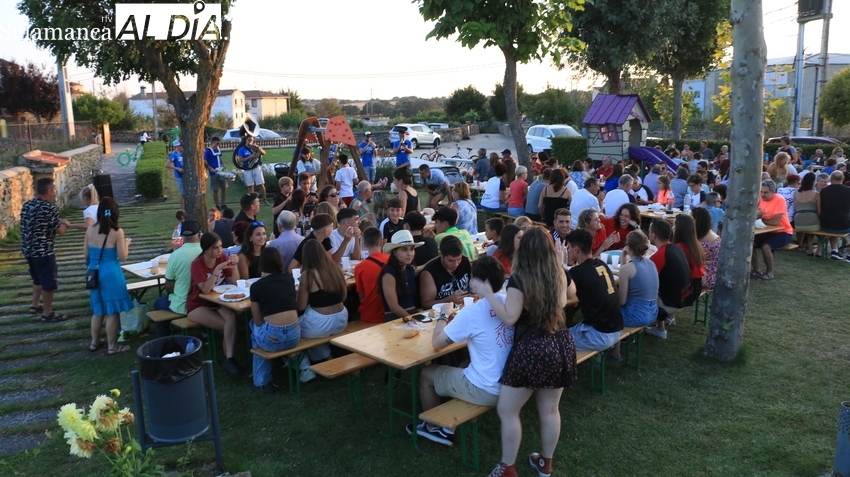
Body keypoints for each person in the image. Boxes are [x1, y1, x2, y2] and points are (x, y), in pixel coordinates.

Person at [472, 227, 576, 477]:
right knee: (550, 410)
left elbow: (509, 317)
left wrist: (487, 293)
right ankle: (545, 463)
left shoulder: (519, 279)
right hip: (559, 343)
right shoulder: (558, 274)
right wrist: (562, 264)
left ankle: (507, 467)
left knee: (508, 411)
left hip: (532, 349)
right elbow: (566, 300)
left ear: (524, 250)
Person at [409, 255, 514, 447]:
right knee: (463, 363)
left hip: (489, 389)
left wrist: (444, 314)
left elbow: (437, 343)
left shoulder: (472, 312)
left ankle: (435, 427)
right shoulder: (508, 303)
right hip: (512, 384)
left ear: (481, 283)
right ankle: (445, 420)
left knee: (426, 373)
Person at [186, 231, 242, 375]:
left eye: (221, 246)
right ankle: (229, 359)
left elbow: (235, 282)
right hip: (198, 304)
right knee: (227, 325)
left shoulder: (222, 256)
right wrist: (216, 270)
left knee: (231, 317)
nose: (220, 250)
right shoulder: (197, 264)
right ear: (206, 249)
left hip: (217, 301)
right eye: (216, 248)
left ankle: (229, 358)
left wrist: (234, 265)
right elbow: (205, 290)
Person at [84, 197, 134, 354]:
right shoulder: (117, 232)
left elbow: (85, 253)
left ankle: (94, 342)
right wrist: (126, 243)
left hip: (94, 271)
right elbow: (123, 256)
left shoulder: (90, 229)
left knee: (98, 309)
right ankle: (113, 346)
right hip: (111, 272)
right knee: (112, 311)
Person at [295, 239, 349, 381]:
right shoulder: (336, 269)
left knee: (292, 329)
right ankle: (327, 357)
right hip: (342, 319)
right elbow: (344, 296)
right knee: (312, 330)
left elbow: (300, 306)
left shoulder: (308, 275)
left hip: (320, 323)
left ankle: (305, 367)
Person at [248, 248, 299, 394]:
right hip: (294, 336)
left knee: (252, 326)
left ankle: (262, 382)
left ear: (261, 264)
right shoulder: (289, 280)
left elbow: (258, 321)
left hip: (273, 340)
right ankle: (289, 363)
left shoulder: (256, 286)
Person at [566, 228, 624, 353]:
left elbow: (563, 295)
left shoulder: (576, 272)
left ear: (576, 249)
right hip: (617, 328)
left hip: (599, 336)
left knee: (554, 340)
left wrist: (560, 264)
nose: (568, 250)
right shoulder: (602, 264)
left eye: (569, 247)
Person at [21, 178, 71, 322]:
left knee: (37, 279)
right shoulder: (49, 208)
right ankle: (47, 313)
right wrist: (65, 223)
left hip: (28, 250)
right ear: (48, 191)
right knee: (48, 282)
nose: (54, 192)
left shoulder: (27, 205)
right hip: (43, 252)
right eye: (53, 190)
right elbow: (60, 231)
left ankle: (35, 305)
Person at [607, 230, 658, 360]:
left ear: (628, 247)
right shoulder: (651, 264)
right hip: (652, 312)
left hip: (636, 315)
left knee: (611, 310)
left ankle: (615, 352)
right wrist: (624, 258)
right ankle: (626, 340)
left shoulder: (628, 269)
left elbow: (622, 301)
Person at [644, 219, 691, 340]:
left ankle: (659, 328)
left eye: (649, 231)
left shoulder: (659, 256)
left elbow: (647, 283)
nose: (648, 234)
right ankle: (663, 325)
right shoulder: (675, 248)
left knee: (637, 291)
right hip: (685, 296)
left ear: (653, 235)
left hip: (671, 302)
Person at [749, 180, 793, 278]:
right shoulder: (759, 199)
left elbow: (775, 222)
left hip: (783, 231)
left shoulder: (780, 200)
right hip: (767, 231)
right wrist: (757, 217)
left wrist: (760, 219)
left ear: (773, 192)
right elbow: (753, 216)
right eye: (761, 192)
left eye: (765, 192)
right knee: (749, 244)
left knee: (766, 247)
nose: (762, 194)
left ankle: (769, 273)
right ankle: (757, 270)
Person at [380, 230, 423, 321]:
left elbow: (421, 267)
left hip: (411, 315)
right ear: (394, 252)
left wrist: (439, 259)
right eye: (404, 250)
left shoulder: (409, 269)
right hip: (396, 319)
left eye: (412, 249)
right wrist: (413, 320)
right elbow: (394, 307)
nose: (409, 253)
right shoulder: (389, 273)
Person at [420, 236, 472, 309]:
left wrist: (475, 293)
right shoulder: (429, 273)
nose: (456, 264)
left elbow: (475, 285)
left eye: (459, 259)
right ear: (441, 254)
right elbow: (426, 304)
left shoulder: (465, 261)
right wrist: (449, 300)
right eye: (450, 261)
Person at [671, 214, 706, 314]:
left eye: (674, 225)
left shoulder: (679, 248)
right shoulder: (696, 245)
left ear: (680, 228)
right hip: (697, 287)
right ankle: (669, 318)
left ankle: (663, 321)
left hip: (687, 290)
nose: (672, 227)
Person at [355, 227, 389, 323]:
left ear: (365, 244)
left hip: (370, 316)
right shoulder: (391, 260)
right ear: (381, 242)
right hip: (389, 313)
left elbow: (361, 296)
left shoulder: (359, 267)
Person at [817, 171, 850, 260]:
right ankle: (849, 256)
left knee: (835, 223)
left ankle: (834, 250)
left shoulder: (823, 191)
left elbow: (819, 210)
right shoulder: (848, 190)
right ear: (843, 179)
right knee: (840, 222)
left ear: (831, 179)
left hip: (826, 225)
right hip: (843, 225)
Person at [693, 207, 721, 291]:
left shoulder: (705, 241)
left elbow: (692, 257)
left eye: (690, 218)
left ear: (696, 220)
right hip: (711, 274)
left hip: (706, 277)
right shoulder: (706, 233)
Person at [236, 134, 268, 205]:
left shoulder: (255, 147)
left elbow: (264, 153)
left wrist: (258, 147)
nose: (250, 141)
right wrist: (250, 156)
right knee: (250, 186)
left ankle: (264, 200)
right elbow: (241, 160)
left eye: (251, 139)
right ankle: (252, 202)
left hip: (256, 167)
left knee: (261, 184)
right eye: (249, 140)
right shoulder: (241, 149)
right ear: (246, 140)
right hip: (247, 168)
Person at [793, 173, 820, 256]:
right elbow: (819, 212)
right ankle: (819, 250)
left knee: (809, 227)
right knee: (824, 227)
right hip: (812, 221)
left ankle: (810, 249)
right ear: (813, 182)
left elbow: (795, 208)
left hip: (798, 222)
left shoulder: (796, 193)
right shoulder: (816, 194)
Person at [204, 137, 229, 209]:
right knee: (215, 189)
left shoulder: (218, 149)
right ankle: (217, 205)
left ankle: (223, 204)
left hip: (221, 171)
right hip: (214, 173)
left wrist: (223, 164)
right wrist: (210, 168)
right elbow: (205, 161)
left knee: (224, 188)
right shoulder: (208, 151)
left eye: (219, 143)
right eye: (217, 143)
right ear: (212, 143)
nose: (218, 145)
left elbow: (220, 157)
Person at [164, 139, 186, 211]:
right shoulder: (174, 155)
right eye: (181, 145)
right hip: (179, 176)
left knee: (185, 193)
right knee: (182, 194)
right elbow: (167, 165)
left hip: (184, 175)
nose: (182, 147)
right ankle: (182, 209)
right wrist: (177, 168)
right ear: (177, 146)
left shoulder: (181, 154)